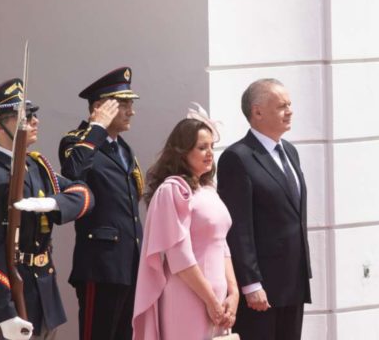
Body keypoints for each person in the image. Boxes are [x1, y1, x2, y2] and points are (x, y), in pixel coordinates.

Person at [0, 78, 94, 340]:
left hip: (45, 295)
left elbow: (84, 194)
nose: (33, 122)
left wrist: (54, 204)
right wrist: (5, 314)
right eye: (21, 117)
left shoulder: (37, 167)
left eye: (32, 115)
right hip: (11, 298)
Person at [132, 106, 239, 340]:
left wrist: (233, 293)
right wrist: (210, 299)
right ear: (182, 152)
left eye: (211, 146)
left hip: (219, 298)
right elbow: (179, 255)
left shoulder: (209, 190)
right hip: (188, 295)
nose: (209, 153)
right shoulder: (172, 190)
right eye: (202, 148)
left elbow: (222, 244)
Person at [217, 78, 311, 340]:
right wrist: (251, 283)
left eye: (289, 104)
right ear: (257, 112)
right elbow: (239, 227)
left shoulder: (289, 151)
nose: (289, 111)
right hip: (262, 287)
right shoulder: (238, 157)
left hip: (293, 281)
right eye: (282, 106)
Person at [58, 66, 145, 340]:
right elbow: (74, 172)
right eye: (123, 104)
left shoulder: (122, 147)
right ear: (100, 107)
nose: (131, 111)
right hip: (101, 263)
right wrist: (95, 127)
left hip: (129, 263)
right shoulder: (78, 141)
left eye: (131, 104)